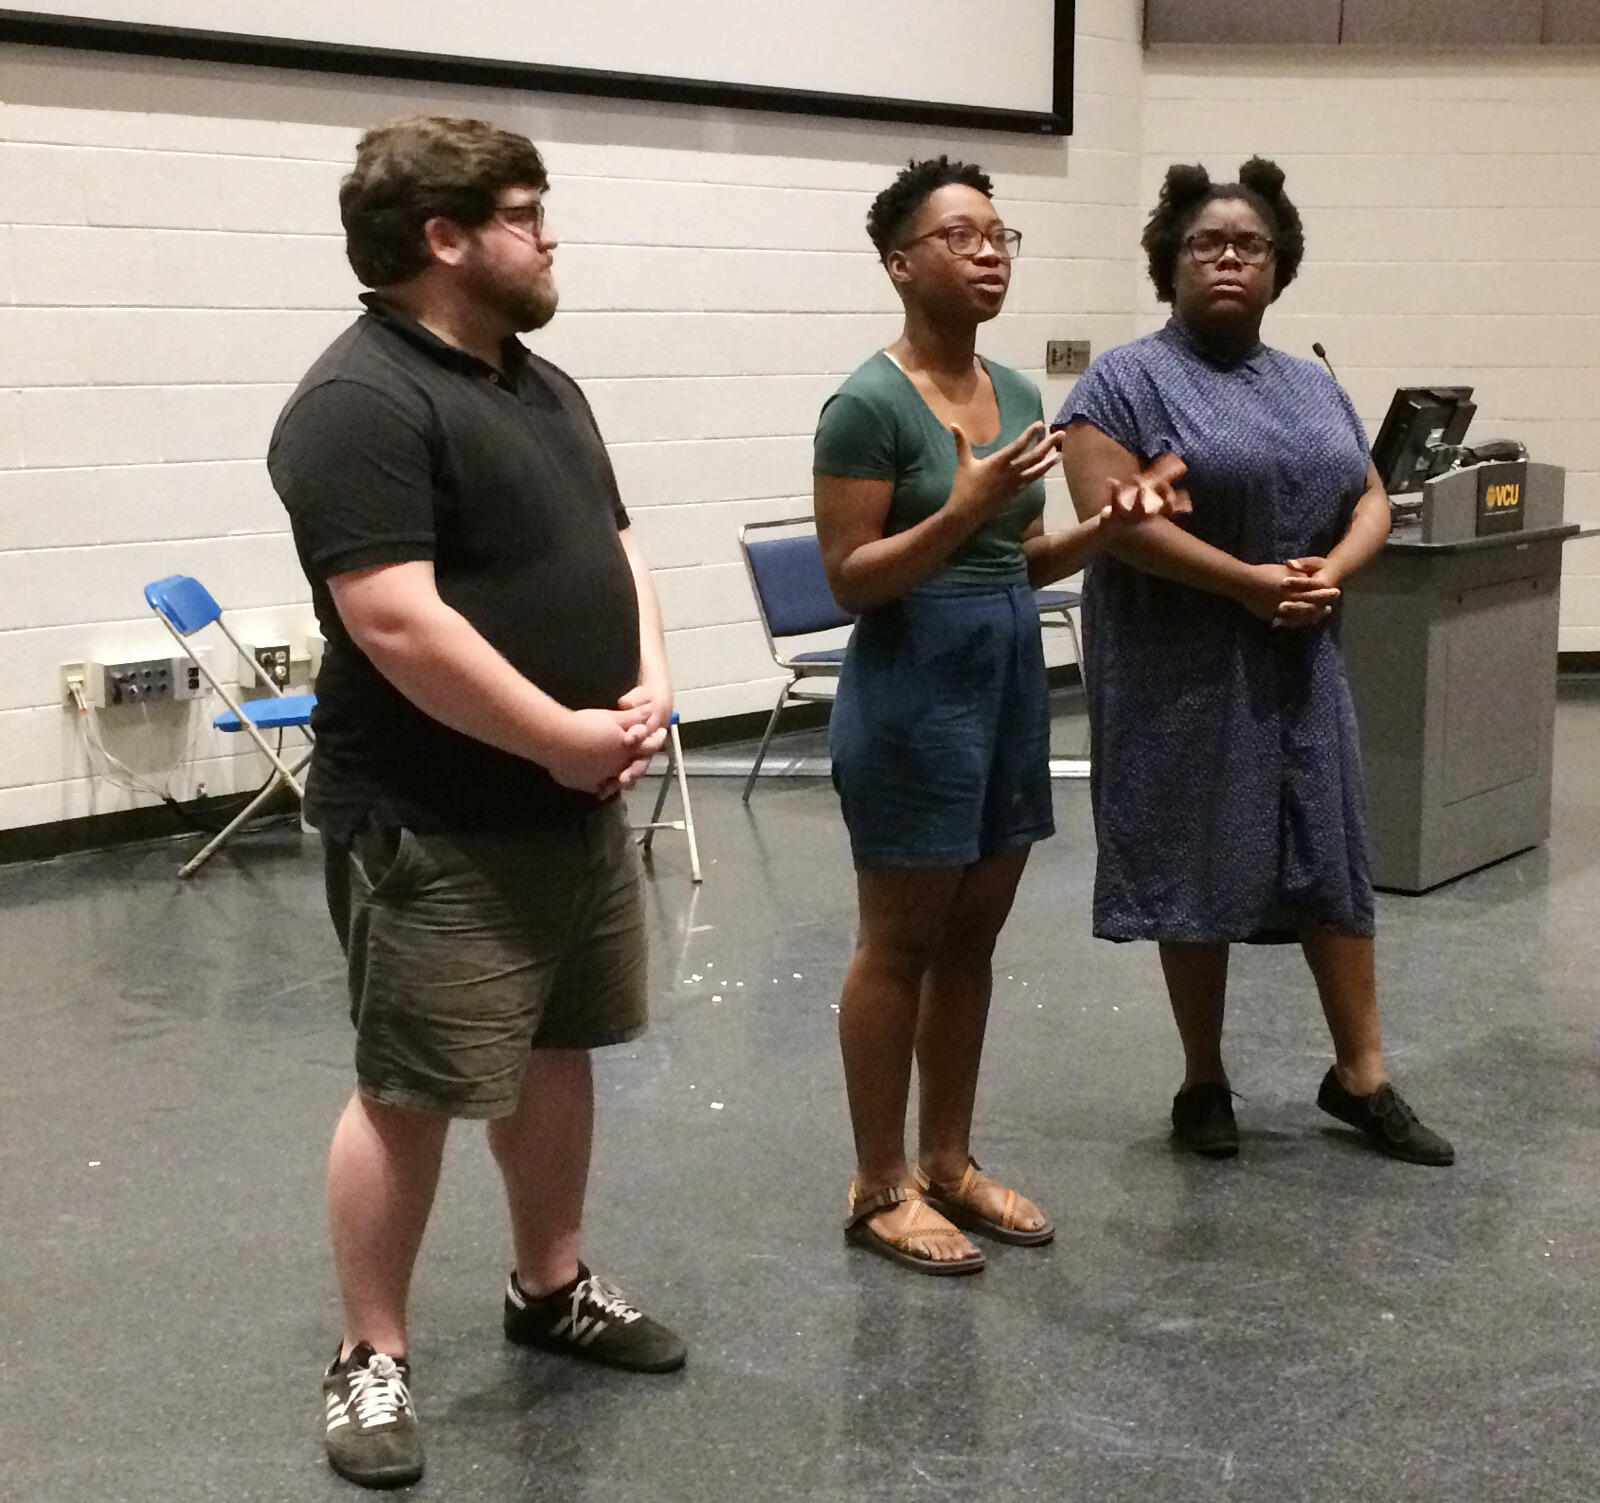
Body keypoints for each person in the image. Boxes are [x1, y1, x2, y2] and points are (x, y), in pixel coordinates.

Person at [268, 116, 686, 1490]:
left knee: (558, 1047)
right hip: (434, 817)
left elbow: (616, 544)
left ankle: (548, 1283)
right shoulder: (359, 401)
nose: (550, 236)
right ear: (442, 238)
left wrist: (647, 680)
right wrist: (560, 737)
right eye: (525, 212)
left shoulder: (540, 383)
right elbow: (395, 620)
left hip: (569, 798)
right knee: (412, 1087)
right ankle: (368, 1352)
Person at [1052, 157, 1453, 1168]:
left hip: (1300, 662)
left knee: (1332, 851)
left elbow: (1370, 495)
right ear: (1170, 262)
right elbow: (1111, 519)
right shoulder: (1124, 382)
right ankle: (1202, 1079)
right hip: (1180, 669)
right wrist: (1243, 582)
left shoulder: (1311, 385)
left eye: (1250, 245)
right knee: (1194, 856)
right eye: (1206, 243)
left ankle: (1361, 1075)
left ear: (1279, 266)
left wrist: (1334, 571)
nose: (1228, 258)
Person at [814, 156, 1170, 1276]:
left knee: (971, 939)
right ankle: (880, 1184)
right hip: (913, 692)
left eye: (999, 236)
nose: (987, 254)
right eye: (959, 235)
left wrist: (1108, 530)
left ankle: (949, 1162)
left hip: (1007, 682)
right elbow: (849, 580)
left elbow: (1018, 559)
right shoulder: (866, 405)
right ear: (898, 262)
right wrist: (961, 507)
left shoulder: (1016, 393)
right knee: (899, 943)